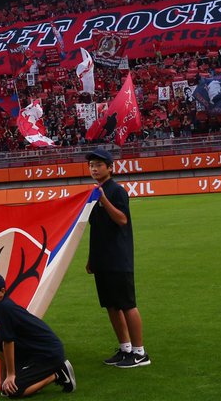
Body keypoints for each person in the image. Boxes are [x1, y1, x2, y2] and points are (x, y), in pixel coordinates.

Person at [85, 147, 149, 368]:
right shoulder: (95, 192)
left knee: (127, 304)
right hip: (102, 259)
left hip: (118, 258)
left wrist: (103, 199)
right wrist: (91, 258)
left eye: (99, 165)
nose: (94, 168)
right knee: (111, 306)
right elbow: (95, 228)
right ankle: (125, 348)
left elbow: (122, 220)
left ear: (110, 168)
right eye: (91, 165)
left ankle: (140, 353)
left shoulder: (116, 191)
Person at [0, 271, 76, 396]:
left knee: (14, 392)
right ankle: (31, 376)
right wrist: (3, 379)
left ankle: (58, 373)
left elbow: (8, 342)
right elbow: (1, 341)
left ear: (2, 292)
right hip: (33, 350)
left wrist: (11, 375)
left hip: (48, 354)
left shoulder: (4, 309)